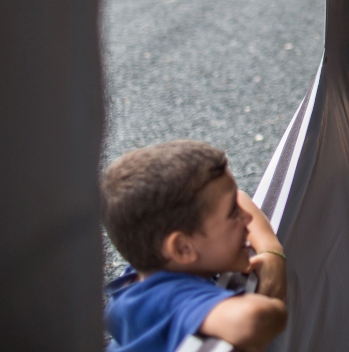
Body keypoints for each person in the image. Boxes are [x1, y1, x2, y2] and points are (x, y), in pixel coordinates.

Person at [101, 141, 288, 352]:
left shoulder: (151, 266)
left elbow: (240, 197)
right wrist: (275, 306)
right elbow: (253, 321)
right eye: (233, 213)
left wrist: (271, 251)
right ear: (183, 248)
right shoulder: (169, 298)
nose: (247, 217)